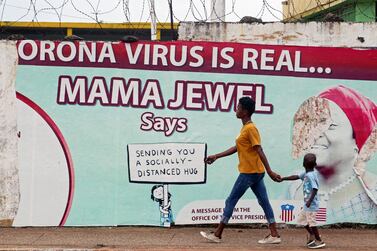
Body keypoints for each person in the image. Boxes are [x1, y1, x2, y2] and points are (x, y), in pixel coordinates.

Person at [200, 96, 282, 244]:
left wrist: (270, 171)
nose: (236, 110)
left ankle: (217, 234)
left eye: (238, 107)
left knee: (231, 200)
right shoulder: (245, 128)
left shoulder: (251, 128)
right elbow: (238, 147)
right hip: (255, 172)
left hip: (249, 173)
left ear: (244, 111)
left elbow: (259, 149)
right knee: (264, 201)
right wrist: (217, 156)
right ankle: (274, 234)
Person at [290, 85, 377, 224]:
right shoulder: (294, 187)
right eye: (314, 124)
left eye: (330, 125)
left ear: (357, 142)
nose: (316, 132)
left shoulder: (373, 189)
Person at [280, 153, 326, 249]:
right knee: (302, 221)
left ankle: (319, 240)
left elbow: (315, 188)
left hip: (311, 205)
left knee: (312, 223)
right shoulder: (306, 174)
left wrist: (309, 201)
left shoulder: (310, 175)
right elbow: (296, 176)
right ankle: (312, 235)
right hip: (307, 205)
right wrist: (283, 178)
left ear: (303, 164)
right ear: (315, 164)